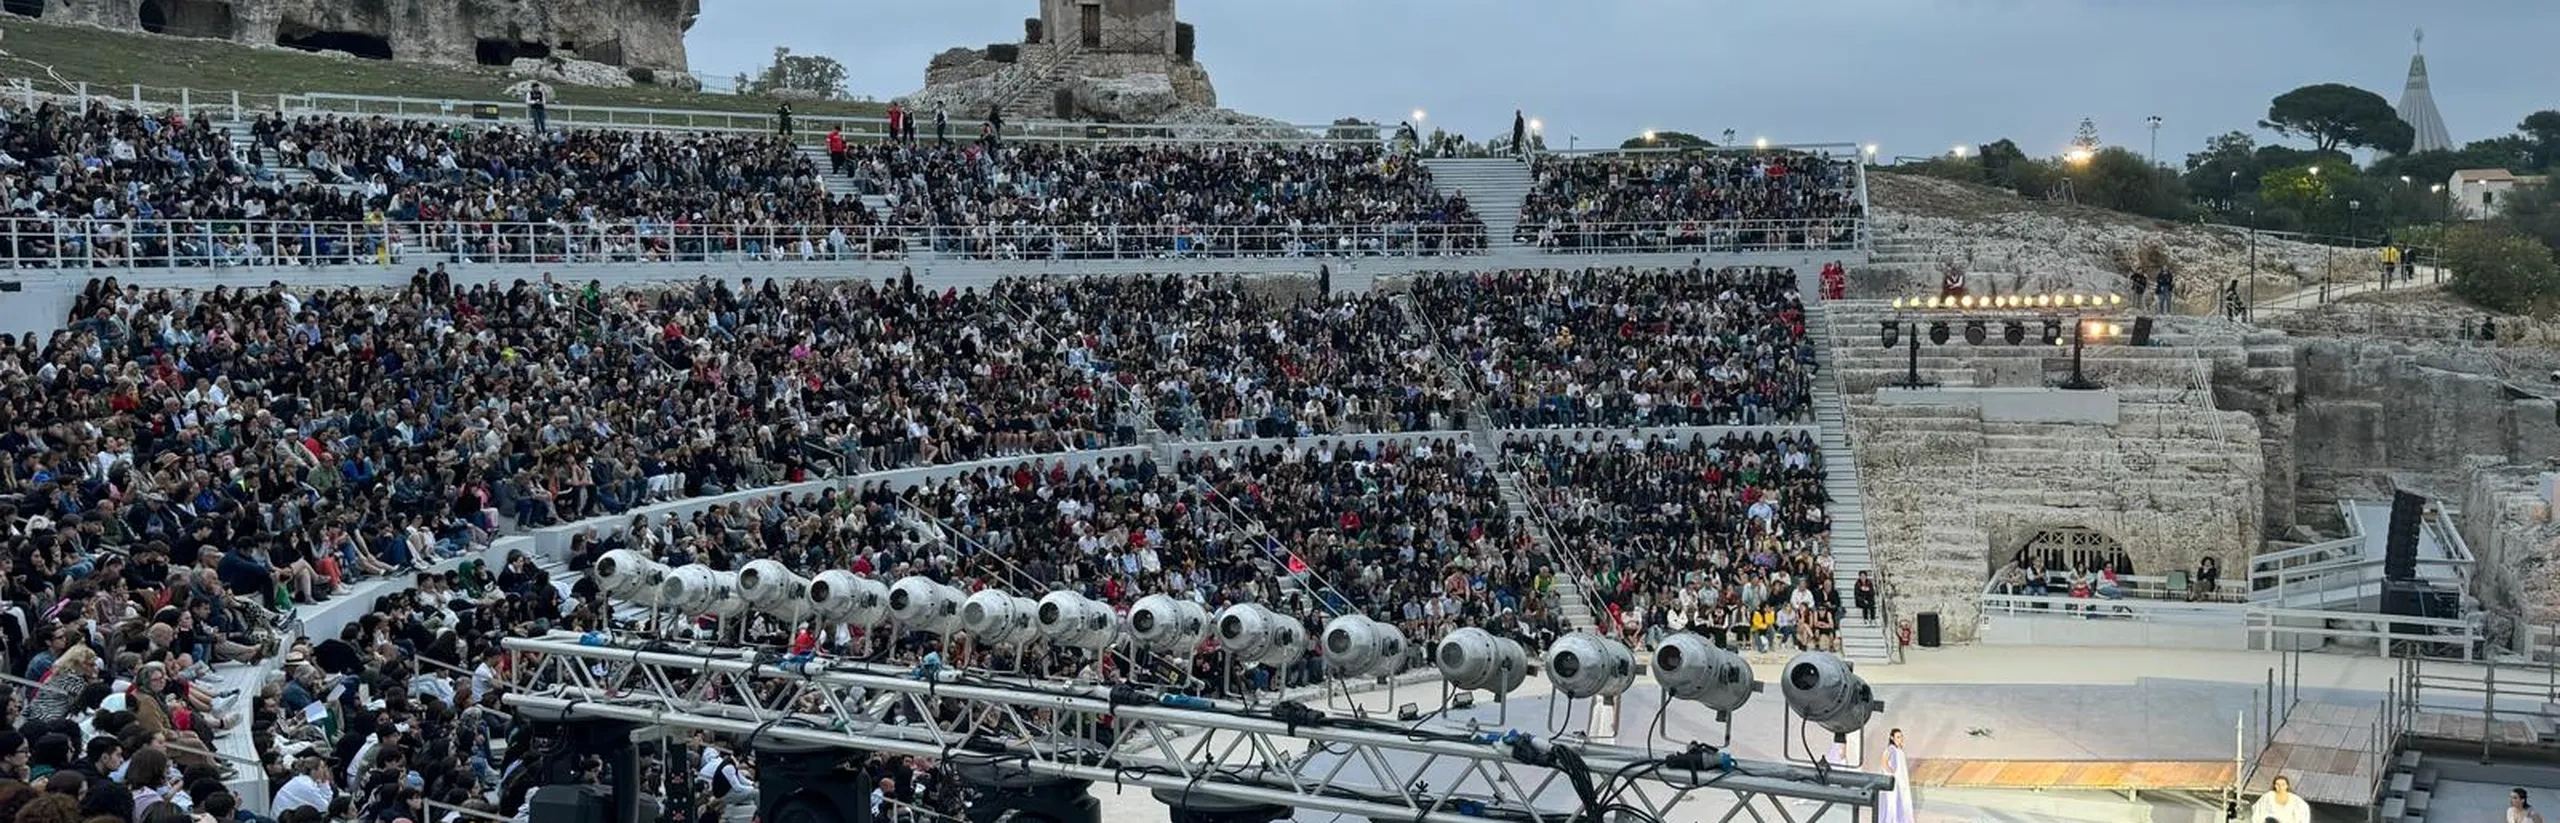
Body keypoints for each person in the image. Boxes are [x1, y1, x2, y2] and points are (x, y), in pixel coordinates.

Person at [1876, 729, 1913, 823]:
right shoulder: (1890, 748)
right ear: (1892, 738)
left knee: (1902, 800)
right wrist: (1892, 773)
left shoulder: (1899, 749)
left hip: (1901, 780)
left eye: (1901, 736)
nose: (1900, 739)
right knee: (1893, 801)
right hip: (1895, 779)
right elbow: (1884, 762)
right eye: (1898, 737)